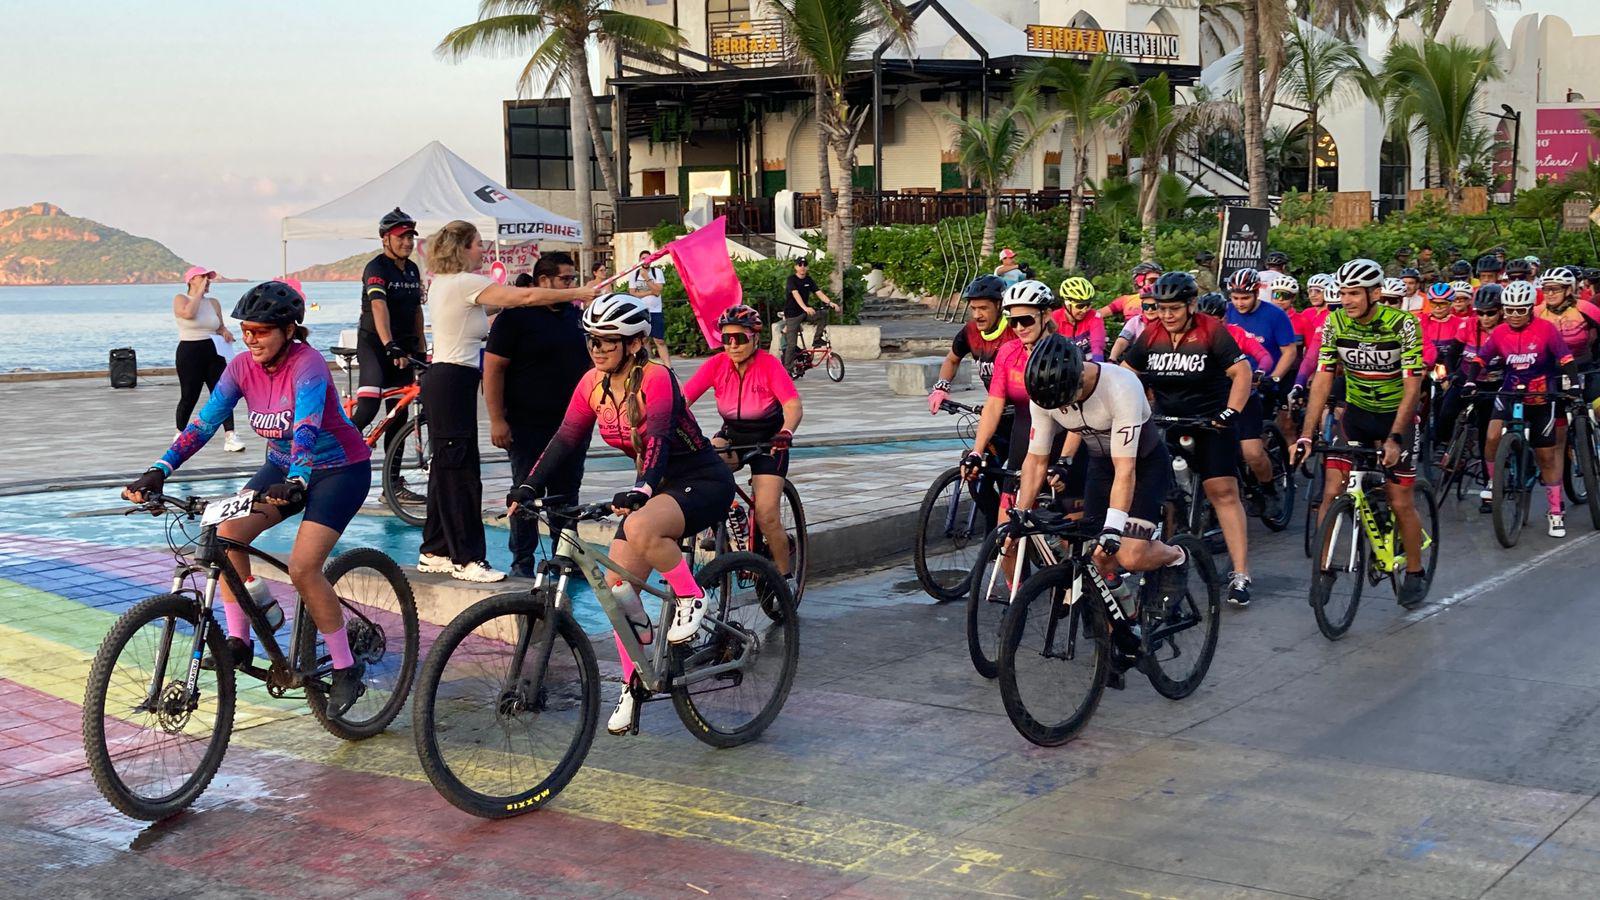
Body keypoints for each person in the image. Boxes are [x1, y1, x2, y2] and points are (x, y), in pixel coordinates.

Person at [123, 282, 372, 714]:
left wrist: (297, 479)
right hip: (282, 468)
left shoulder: (308, 366)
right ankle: (241, 637)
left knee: (303, 567)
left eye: (260, 330)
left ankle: (347, 668)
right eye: (246, 330)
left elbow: (308, 428)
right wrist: (158, 470)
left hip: (338, 471)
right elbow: (202, 426)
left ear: (289, 330)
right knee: (224, 532)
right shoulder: (239, 368)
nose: (250, 338)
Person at [509, 294, 736, 736]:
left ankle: (691, 596)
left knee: (640, 525)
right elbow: (566, 438)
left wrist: (642, 488)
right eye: (593, 339)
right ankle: (635, 682)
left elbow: (657, 439)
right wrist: (528, 485)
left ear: (634, 343)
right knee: (616, 591)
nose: (597, 348)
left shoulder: (657, 377)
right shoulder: (591, 384)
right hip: (653, 488)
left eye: (608, 341)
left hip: (701, 479)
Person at [416, 220, 600, 583]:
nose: (482, 251)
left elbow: (495, 309)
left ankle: (434, 549)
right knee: (462, 475)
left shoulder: (446, 285)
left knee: (445, 469)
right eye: (477, 245)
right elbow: (526, 297)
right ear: (461, 248)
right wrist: (578, 291)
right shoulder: (464, 282)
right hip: (452, 379)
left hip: (449, 380)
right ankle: (466, 558)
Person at [1012, 335, 1191, 667]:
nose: (1060, 408)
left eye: (1065, 400)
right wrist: (1020, 513)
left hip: (1142, 464)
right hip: (1100, 465)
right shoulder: (1044, 394)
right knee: (1097, 559)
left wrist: (1113, 527)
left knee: (1130, 553)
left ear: (1079, 375)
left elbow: (1126, 468)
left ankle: (1177, 556)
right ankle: (1122, 628)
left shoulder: (1120, 385)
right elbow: (1035, 461)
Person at [1292, 258, 1429, 608]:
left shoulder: (1404, 324)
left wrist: (1396, 437)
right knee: (1332, 491)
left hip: (1395, 418)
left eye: (1354, 293)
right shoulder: (1334, 322)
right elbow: (1322, 378)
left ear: (1376, 293)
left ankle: (1414, 571)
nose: (1347, 300)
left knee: (1400, 500)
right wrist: (1306, 435)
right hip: (1356, 417)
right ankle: (1322, 571)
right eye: (1343, 293)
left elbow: (1413, 386)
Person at [1123, 273, 1256, 606]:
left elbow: (1242, 373)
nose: (1167, 316)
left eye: (1174, 309)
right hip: (1166, 419)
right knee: (1157, 490)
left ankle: (1240, 573)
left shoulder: (1211, 331)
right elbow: (1126, 372)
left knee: (1222, 491)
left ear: (1192, 305)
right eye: (1160, 308)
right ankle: (1164, 557)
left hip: (1210, 420)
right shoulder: (1151, 333)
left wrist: (1231, 412)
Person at [484, 251, 592, 578]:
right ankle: (522, 563)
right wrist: (496, 419)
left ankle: (565, 556)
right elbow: (492, 369)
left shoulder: (574, 317)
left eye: (573, 280)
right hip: (527, 422)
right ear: (544, 281)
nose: (571, 286)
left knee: (567, 492)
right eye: (565, 280)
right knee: (527, 493)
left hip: (572, 423)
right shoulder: (514, 318)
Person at [683, 304, 803, 590]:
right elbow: (681, 400)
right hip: (733, 436)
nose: (733, 345)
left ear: (754, 339)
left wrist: (786, 431)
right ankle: (719, 519)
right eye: (727, 339)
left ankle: (783, 580)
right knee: (705, 461)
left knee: (766, 513)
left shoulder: (769, 364)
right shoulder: (716, 364)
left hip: (769, 440)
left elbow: (792, 405)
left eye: (740, 338)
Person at [1459, 280, 1583, 536]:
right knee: (1492, 436)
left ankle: (1555, 512)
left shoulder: (1546, 329)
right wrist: (1471, 380)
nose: (1514, 315)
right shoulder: (1500, 332)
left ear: (1529, 309)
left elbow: (1566, 358)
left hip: (1541, 395)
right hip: (1510, 390)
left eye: (1520, 310)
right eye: (1509, 310)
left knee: (1546, 456)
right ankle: (1495, 481)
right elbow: (1481, 358)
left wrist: (1573, 387)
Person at [352, 209, 427, 462]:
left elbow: (417, 311)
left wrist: (421, 350)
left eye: (410, 237)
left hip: (402, 348)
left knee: (398, 414)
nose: (407, 242)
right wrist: (389, 344)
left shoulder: (413, 270)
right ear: (385, 239)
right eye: (401, 237)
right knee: (368, 407)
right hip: (374, 345)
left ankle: (393, 483)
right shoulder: (376, 267)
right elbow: (378, 306)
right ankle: (335, 456)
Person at [1225, 267, 1299, 519]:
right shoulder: (1226, 313)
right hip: (1230, 383)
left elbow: (1289, 352)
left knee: (1253, 451)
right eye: (1235, 298)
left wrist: (1273, 377)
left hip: (1262, 382)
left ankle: (1269, 489)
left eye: (1244, 297)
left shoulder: (1275, 315)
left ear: (1257, 293)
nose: (1239, 303)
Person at [172, 265, 244, 452]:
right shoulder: (181, 299)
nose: (207, 281)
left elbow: (219, 326)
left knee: (222, 393)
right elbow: (188, 313)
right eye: (203, 277)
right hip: (189, 351)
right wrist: (197, 293)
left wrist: (225, 331)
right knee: (189, 395)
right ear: (191, 280)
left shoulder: (213, 302)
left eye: (208, 278)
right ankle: (180, 433)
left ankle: (230, 436)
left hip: (213, 350)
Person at [781, 257, 841, 372]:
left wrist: (830, 302)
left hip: (804, 313)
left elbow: (819, 293)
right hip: (793, 315)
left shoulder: (808, 280)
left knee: (823, 313)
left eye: (805, 264)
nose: (802, 267)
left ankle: (817, 339)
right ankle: (787, 369)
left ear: (807, 267)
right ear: (796, 267)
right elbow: (795, 294)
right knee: (791, 345)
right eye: (800, 265)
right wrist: (805, 307)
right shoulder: (791, 279)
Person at [626, 250, 671, 364]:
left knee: (659, 340)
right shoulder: (634, 274)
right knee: (644, 339)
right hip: (641, 311)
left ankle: (668, 366)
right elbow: (633, 293)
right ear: (639, 260)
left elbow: (659, 290)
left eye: (648, 258)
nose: (645, 260)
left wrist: (647, 278)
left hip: (656, 311)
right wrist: (650, 292)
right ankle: (648, 363)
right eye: (643, 258)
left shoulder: (657, 272)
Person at [1051, 276, 1106, 360]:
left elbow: (1097, 346)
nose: (1084, 310)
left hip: (1089, 363)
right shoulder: (1053, 318)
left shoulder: (1094, 316)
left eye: (1088, 305)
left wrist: (1098, 366)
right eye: (1080, 306)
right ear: (1067, 304)